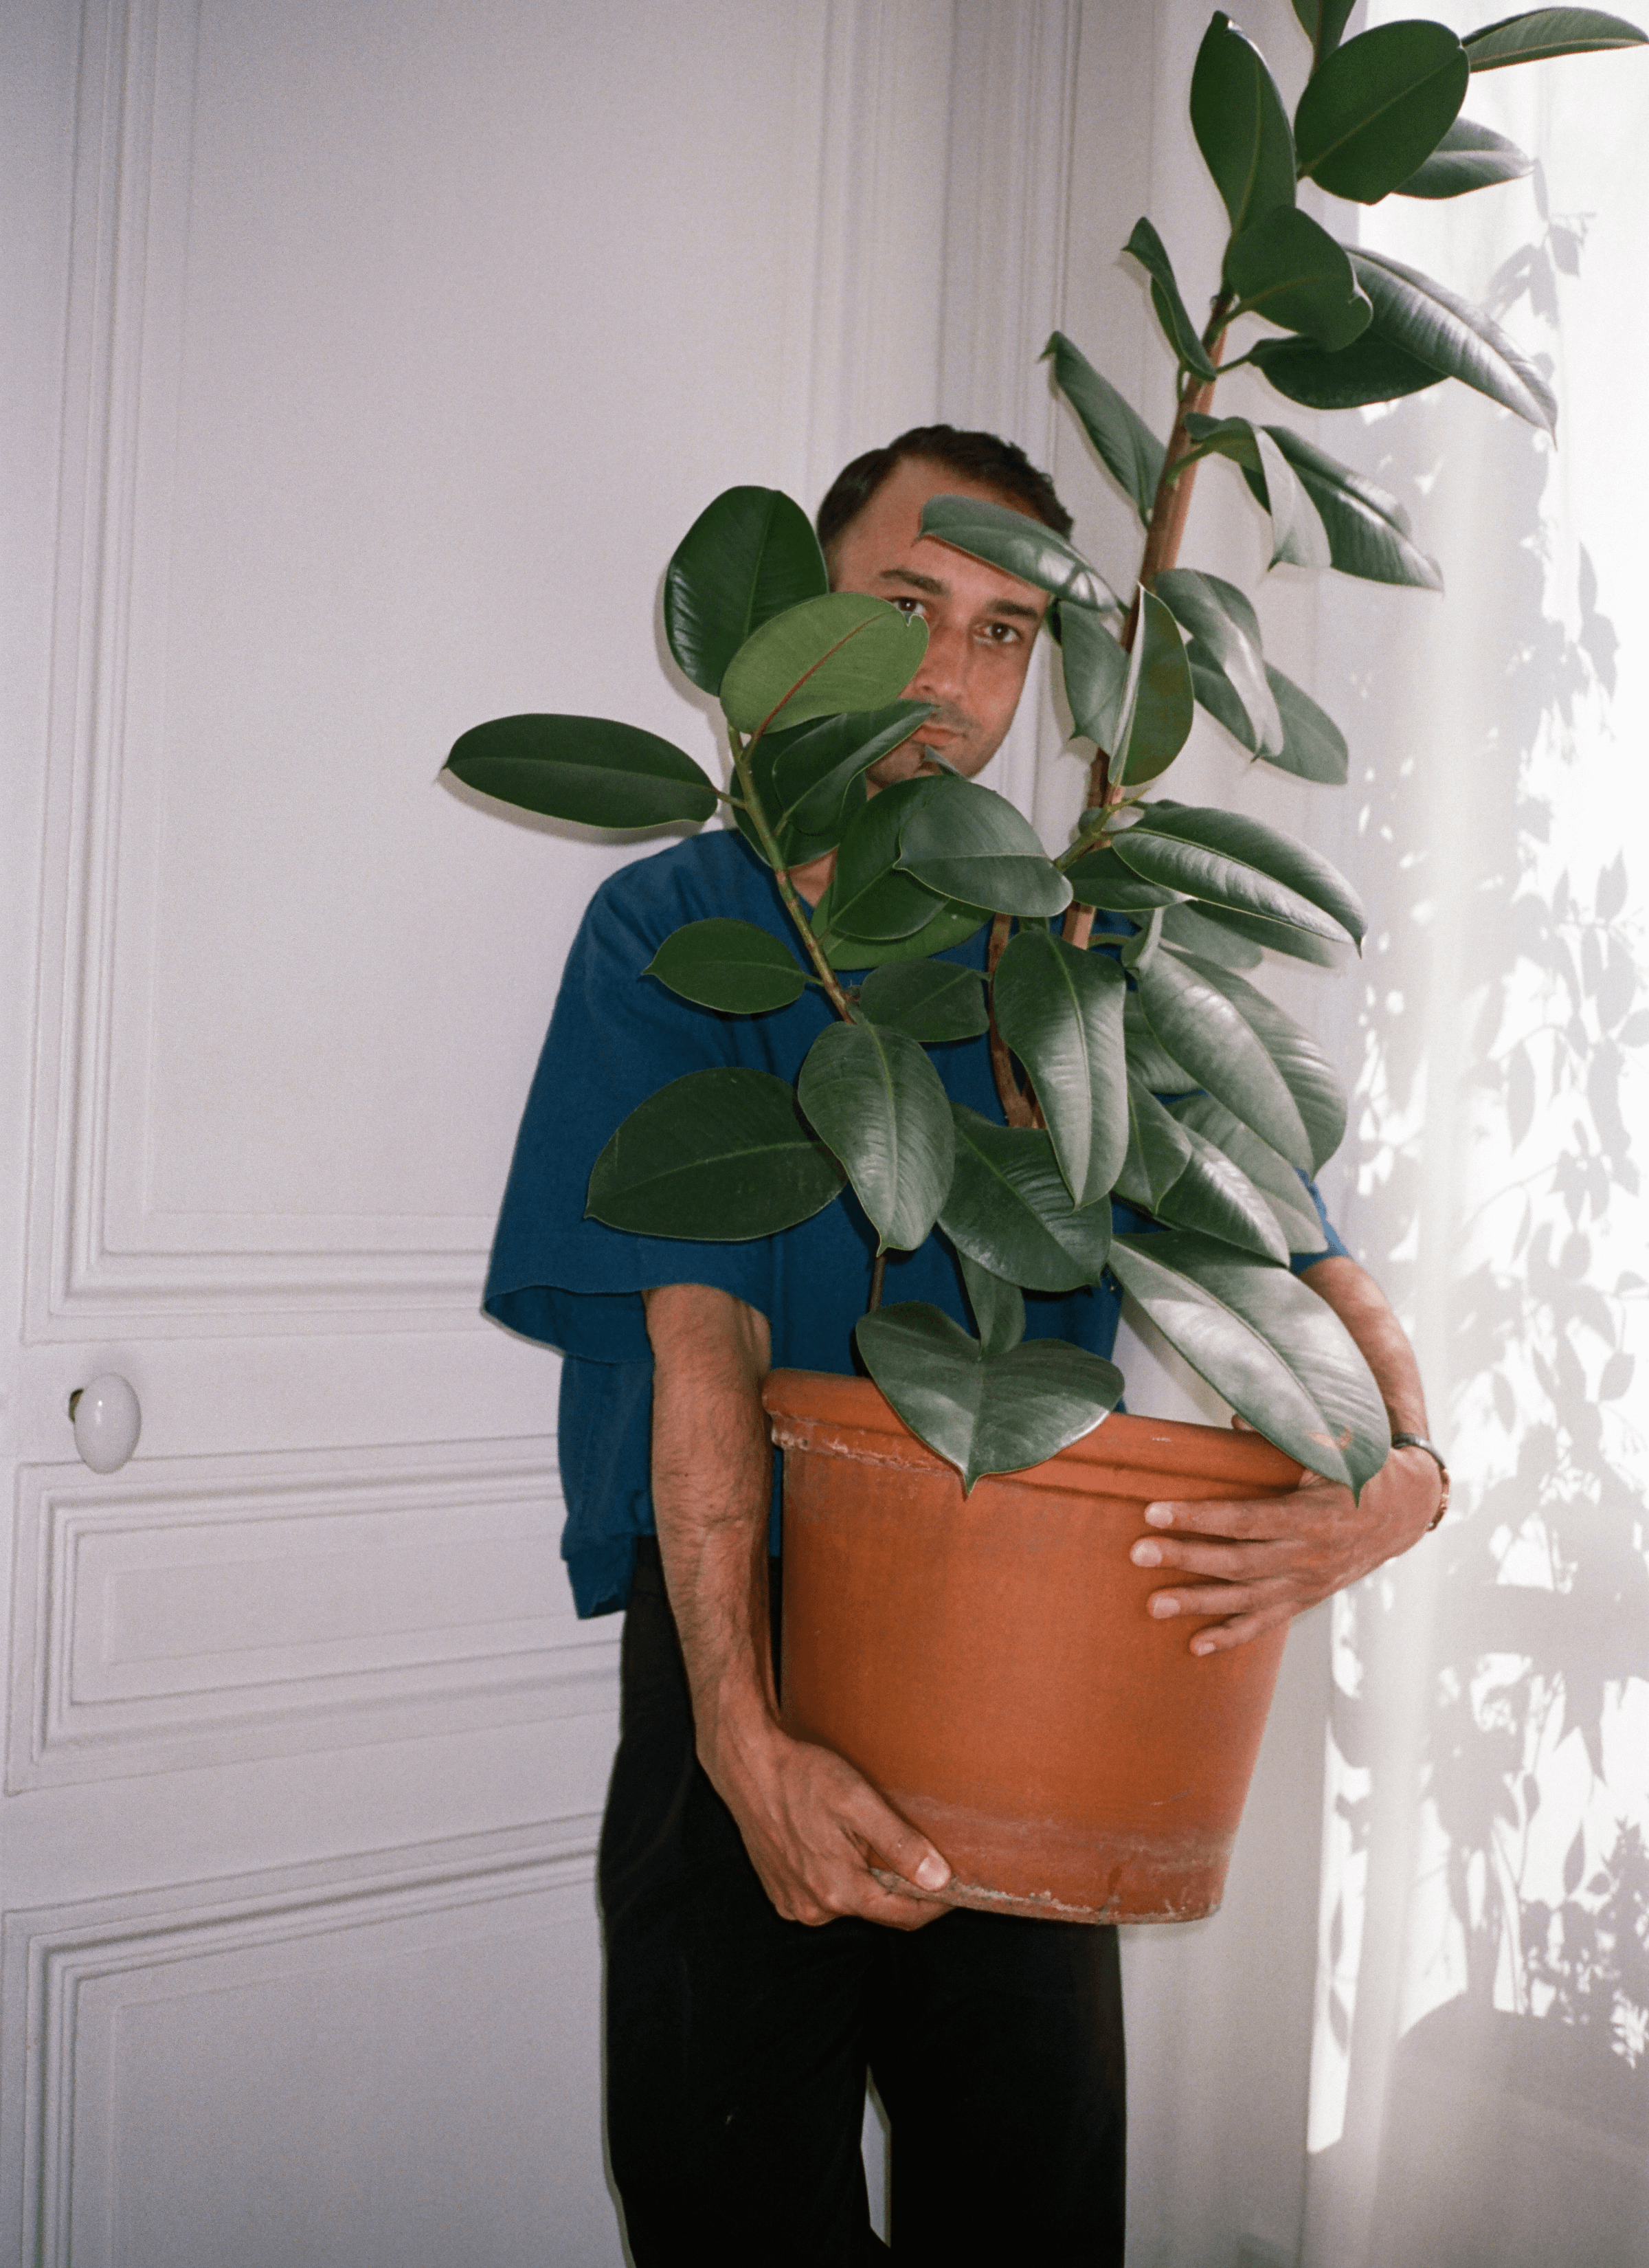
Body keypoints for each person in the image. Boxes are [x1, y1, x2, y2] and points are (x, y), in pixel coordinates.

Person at [484, 426, 1446, 2266]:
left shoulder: (1073, 961)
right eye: (906, 604)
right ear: (798, 629)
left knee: (1032, 2214)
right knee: (727, 2204)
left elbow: (1313, 1269)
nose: (952, 669)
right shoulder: (679, 928)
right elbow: (703, 1357)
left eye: (1008, 631)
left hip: (1030, 1665)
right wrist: (745, 1745)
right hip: (742, 1650)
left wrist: (1399, 1479)